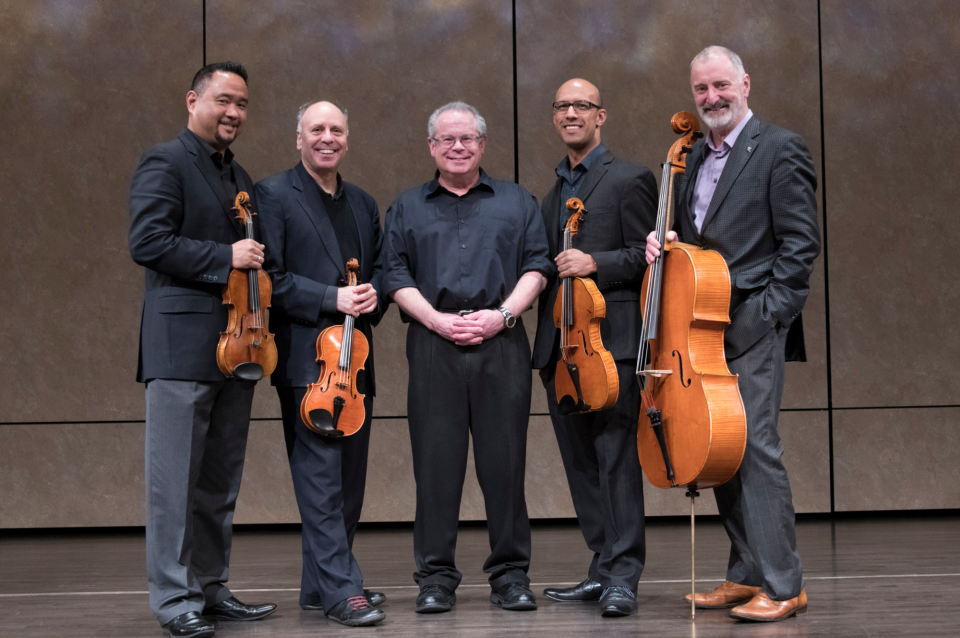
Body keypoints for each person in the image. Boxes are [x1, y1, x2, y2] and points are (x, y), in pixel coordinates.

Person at [645, 45, 821, 622]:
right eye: (701, 89)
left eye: (721, 85)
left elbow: (800, 245)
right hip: (703, 325)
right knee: (720, 445)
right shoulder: (694, 154)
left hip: (753, 323)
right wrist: (663, 240)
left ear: (745, 84)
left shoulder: (779, 148)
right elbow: (695, 239)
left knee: (758, 450)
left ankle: (785, 585)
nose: (711, 97)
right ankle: (746, 575)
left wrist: (769, 315)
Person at [382, 102, 552, 614]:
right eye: (447, 139)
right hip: (433, 346)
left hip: (502, 344)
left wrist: (502, 315)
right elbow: (394, 275)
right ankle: (435, 579)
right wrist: (435, 320)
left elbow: (538, 266)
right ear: (431, 146)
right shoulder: (406, 207)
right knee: (436, 470)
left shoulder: (517, 201)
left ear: (482, 144)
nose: (458, 147)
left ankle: (510, 576)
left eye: (468, 138)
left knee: (506, 466)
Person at [129, 61, 276, 638]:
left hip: (236, 347)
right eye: (223, 100)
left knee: (218, 483)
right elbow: (147, 241)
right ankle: (174, 601)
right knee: (174, 486)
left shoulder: (237, 175)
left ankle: (210, 588)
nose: (234, 112)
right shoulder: (166, 161)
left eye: (242, 103)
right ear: (193, 101)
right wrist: (225, 257)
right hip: (181, 348)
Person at [255, 101, 386, 626]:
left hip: (356, 362)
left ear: (347, 139)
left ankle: (319, 585)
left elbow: (378, 272)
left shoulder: (363, 203)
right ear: (299, 138)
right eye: (317, 129)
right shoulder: (272, 194)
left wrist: (374, 295)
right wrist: (333, 298)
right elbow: (270, 279)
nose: (327, 137)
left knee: (349, 482)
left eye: (336, 129)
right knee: (320, 480)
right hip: (307, 359)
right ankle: (341, 590)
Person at [532, 79, 657, 617]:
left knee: (616, 461)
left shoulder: (630, 178)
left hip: (612, 347)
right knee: (581, 466)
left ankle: (624, 575)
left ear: (600, 116)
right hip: (562, 348)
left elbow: (648, 258)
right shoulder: (552, 194)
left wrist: (595, 262)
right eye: (562, 106)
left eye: (581, 105)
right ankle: (602, 567)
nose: (571, 113)